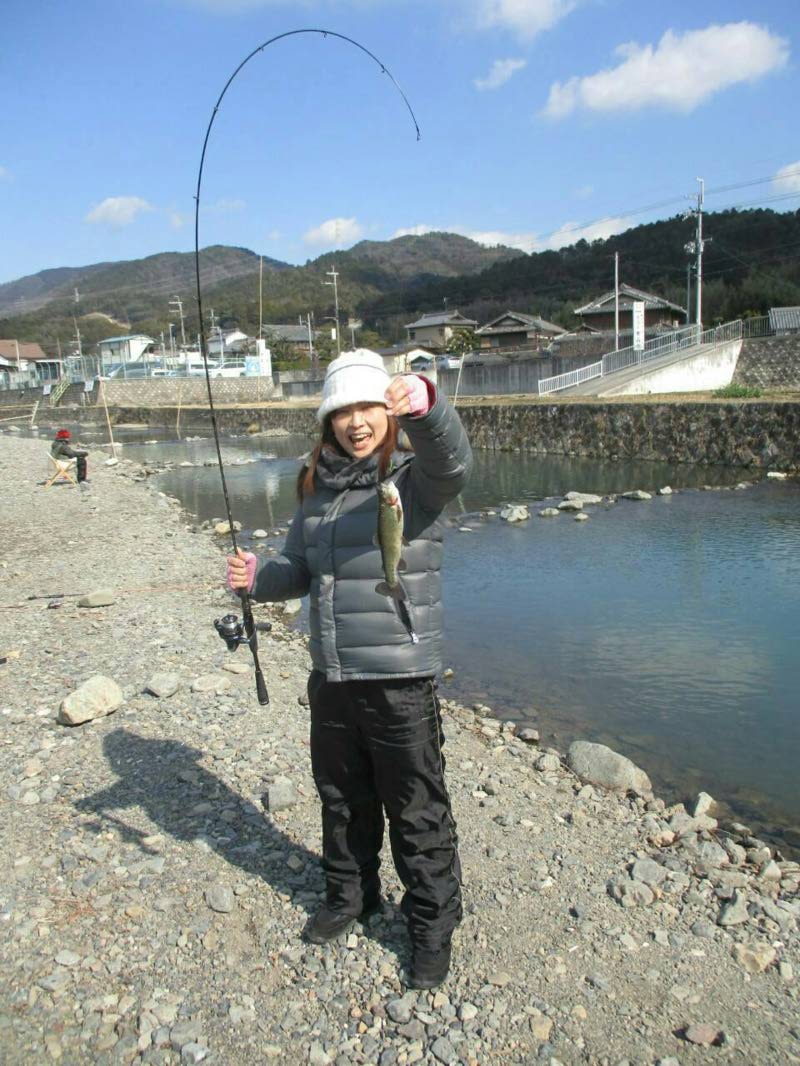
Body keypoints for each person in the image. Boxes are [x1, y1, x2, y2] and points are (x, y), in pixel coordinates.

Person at [227, 349, 472, 989]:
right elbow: (297, 569)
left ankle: (431, 928)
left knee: (416, 810)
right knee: (341, 799)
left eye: (368, 407)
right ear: (328, 421)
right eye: (343, 411)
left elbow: (453, 460)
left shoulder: (413, 484)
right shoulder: (314, 491)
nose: (356, 422)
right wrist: (258, 578)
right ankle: (351, 896)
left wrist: (427, 405)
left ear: (386, 414)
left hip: (399, 680)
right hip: (332, 677)